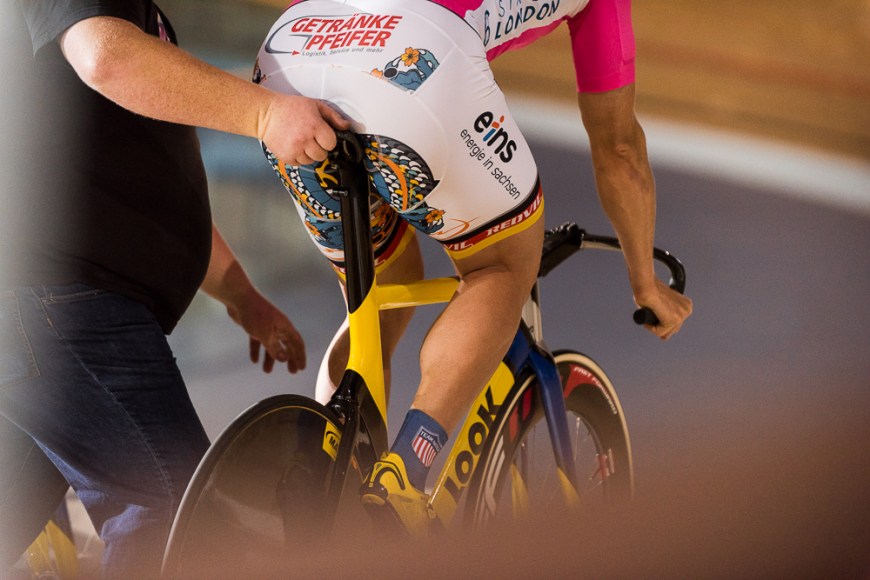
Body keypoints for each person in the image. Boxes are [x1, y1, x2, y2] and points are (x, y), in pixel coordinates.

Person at [254, 0, 693, 533]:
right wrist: (644, 281)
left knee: (383, 288)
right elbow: (619, 150)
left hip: (294, 53)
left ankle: (320, 467)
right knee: (503, 265)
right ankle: (405, 477)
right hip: (413, 57)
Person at [0, 0, 350, 577]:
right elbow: (106, 58)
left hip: (49, 309)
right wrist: (267, 116)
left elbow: (139, 177)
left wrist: (241, 295)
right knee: (170, 513)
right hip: (65, 305)